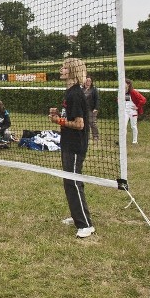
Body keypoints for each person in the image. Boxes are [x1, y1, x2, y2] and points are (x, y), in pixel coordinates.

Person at [49, 57, 94, 238]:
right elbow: (70, 118)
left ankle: (86, 225)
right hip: (68, 142)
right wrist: (58, 115)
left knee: (74, 182)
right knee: (69, 181)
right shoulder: (69, 92)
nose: (61, 69)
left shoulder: (75, 94)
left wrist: (58, 120)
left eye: (64, 67)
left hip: (75, 145)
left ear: (72, 71)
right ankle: (77, 217)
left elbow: (80, 124)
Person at [124, 78, 146, 145]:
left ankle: (135, 141)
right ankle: (122, 140)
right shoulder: (124, 92)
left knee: (133, 126)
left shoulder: (133, 92)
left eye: (124, 83)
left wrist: (137, 107)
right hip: (125, 111)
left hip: (133, 111)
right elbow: (124, 101)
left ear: (128, 84)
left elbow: (143, 99)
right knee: (123, 126)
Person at [83, 76, 100, 143]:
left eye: (90, 81)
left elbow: (97, 99)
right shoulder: (82, 89)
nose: (88, 82)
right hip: (84, 109)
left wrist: (96, 108)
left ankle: (95, 136)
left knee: (92, 122)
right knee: (85, 123)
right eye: (87, 80)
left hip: (92, 109)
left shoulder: (94, 89)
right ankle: (86, 137)